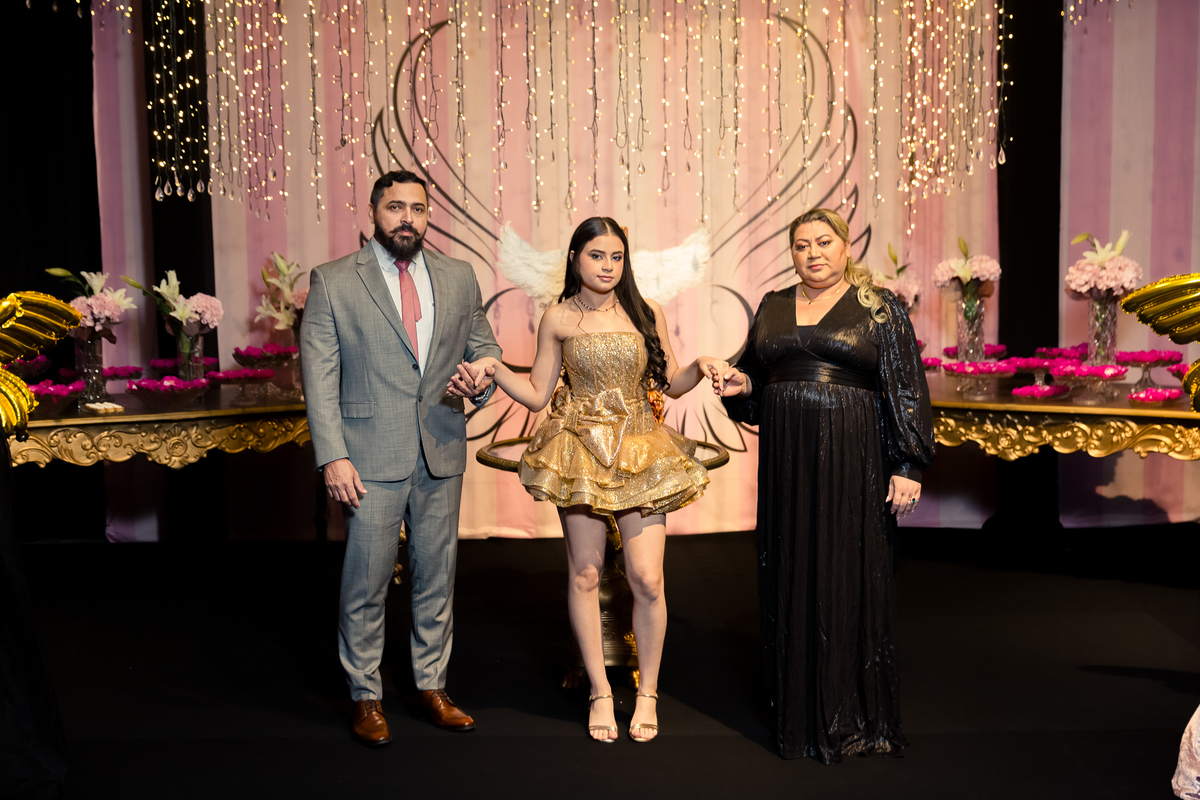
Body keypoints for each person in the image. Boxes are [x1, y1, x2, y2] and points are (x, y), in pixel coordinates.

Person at [446, 217, 724, 743]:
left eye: (617, 257)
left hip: (641, 447)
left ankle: (648, 693)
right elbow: (537, 394)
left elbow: (671, 382)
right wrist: (493, 367)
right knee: (585, 574)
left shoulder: (646, 312)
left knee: (648, 578)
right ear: (575, 258)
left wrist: (705, 364)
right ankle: (599, 691)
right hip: (579, 449)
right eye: (597, 255)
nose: (608, 266)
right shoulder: (558, 317)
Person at [714, 208, 935, 763]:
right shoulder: (772, 305)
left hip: (854, 461)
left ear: (845, 247)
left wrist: (908, 465)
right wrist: (739, 385)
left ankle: (851, 714)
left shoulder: (879, 306)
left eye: (823, 241)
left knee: (846, 569)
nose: (812, 253)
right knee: (791, 568)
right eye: (801, 245)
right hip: (787, 463)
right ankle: (797, 713)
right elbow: (755, 383)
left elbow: (906, 386)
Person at [300, 169, 502, 746]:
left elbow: (485, 348)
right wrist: (332, 456)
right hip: (367, 456)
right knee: (365, 581)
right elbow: (319, 376)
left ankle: (432, 686)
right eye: (395, 207)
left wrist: (481, 379)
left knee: (436, 576)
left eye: (417, 208)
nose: (407, 218)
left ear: (428, 214)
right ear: (373, 212)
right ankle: (365, 695)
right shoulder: (334, 280)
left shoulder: (459, 276)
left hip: (441, 447)